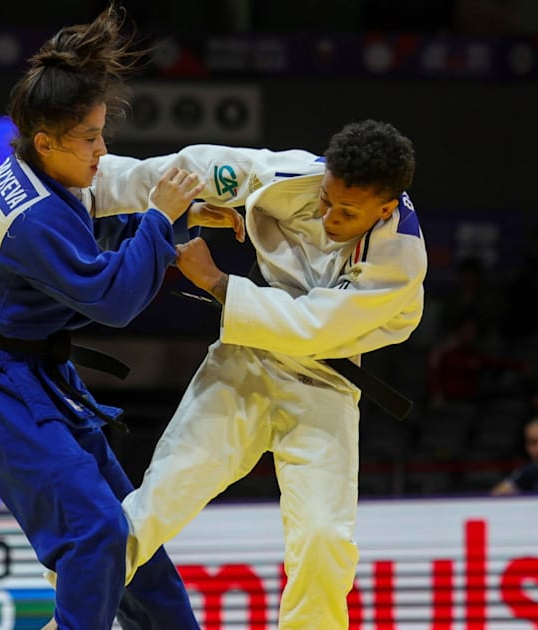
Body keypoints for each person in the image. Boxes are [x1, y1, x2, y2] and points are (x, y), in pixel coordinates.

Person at [0, 5, 242, 629]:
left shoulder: (49, 176)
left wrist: (177, 219)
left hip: (40, 378)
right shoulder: (30, 216)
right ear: (47, 140)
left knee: (137, 545)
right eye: (91, 139)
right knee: (97, 535)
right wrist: (161, 219)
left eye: (102, 134)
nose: (103, 152)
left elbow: (101, 240)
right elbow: (112, 298)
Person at [85, 119, 426, 628]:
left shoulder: (401, 260)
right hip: (246, 357)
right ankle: (74, 608)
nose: (329, 215)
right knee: (161, 499)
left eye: (347, 211)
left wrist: (219, 284)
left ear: (385, 208)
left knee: (324, 537)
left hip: (324, 379)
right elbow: (190, 168)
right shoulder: (291, 177)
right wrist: (86, 180)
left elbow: (313, 328)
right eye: (327, 200)